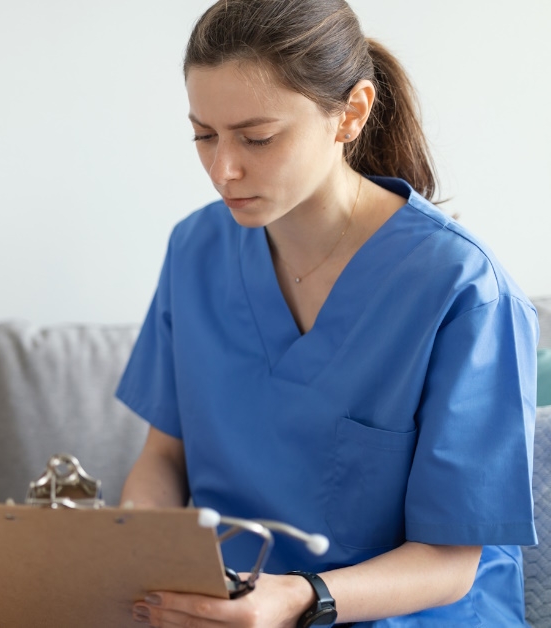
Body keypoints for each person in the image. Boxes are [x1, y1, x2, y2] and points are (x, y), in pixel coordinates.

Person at [117, 1, 538, 626]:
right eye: (204, 135)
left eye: (257, 138)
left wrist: (296, 600)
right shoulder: (195, 250)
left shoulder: (461, 290)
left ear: (351, 114)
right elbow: (163, 459)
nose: (222, 170)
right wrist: (147, 561)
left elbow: (450, 564)